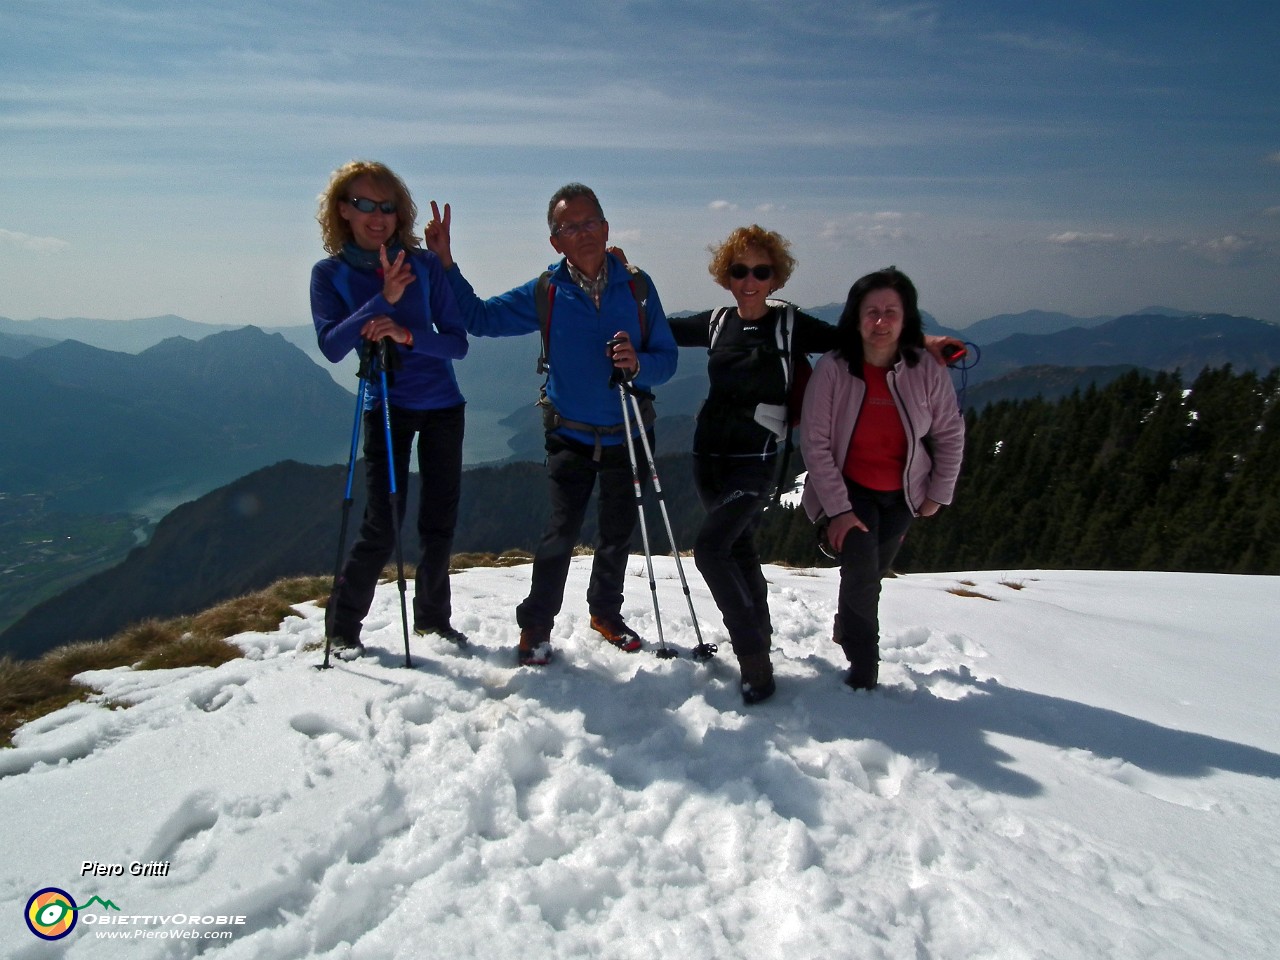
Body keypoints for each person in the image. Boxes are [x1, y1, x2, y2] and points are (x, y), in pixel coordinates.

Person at [424, 184, 678, 667]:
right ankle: (537, 626)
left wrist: (639, 362)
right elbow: (478, 317)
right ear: (555, 242)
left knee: (616, 533)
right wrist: (445, 265)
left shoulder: (639, 288)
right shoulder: (546, 293)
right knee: (560, 532)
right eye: (568, 227)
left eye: (589, 223)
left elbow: (666, 359)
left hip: (628, 430)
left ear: (606, 228)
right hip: (570, 433)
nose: (581, 233)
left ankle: (605, 614)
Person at [666, 226, 840, 705]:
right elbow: (656, 328)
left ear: (775, 277)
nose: (749, 280)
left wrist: (922, 343)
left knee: (710, 549)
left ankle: (754, 661)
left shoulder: (791, 325)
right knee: (738, 549)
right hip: (708, 458)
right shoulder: (717, 323)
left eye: (760, 271)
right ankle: (759, 631)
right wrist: (624, 284)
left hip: (757, 463)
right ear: (727, 275)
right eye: (740, 270)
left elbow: (860, 340)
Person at [310, 160, 469, 660]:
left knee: (438, 522)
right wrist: (382, 298)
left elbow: (458, 345)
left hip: (444, 405)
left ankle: (433, 622)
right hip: (386, 405)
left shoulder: (423, 266)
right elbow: (332, 347)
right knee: (383, 522)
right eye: (364, 204)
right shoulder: (330, 275)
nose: (377, 216)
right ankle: (342, 626)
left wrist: (404, 333)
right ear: (343, 210)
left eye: (387, 206)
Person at [800, 267, 965, 690]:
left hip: (903, 493)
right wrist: (836, 510)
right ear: (855, 318)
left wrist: (938, 493)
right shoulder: (835, 370)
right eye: (870, 311)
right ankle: (863, 667)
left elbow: (949, 432)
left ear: (906, 317)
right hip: (849, 490)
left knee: (871, 573)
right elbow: (815, 444)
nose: (880, 321)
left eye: (891, 311)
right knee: (861, 577)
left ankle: (846, 627)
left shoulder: (925, 369)